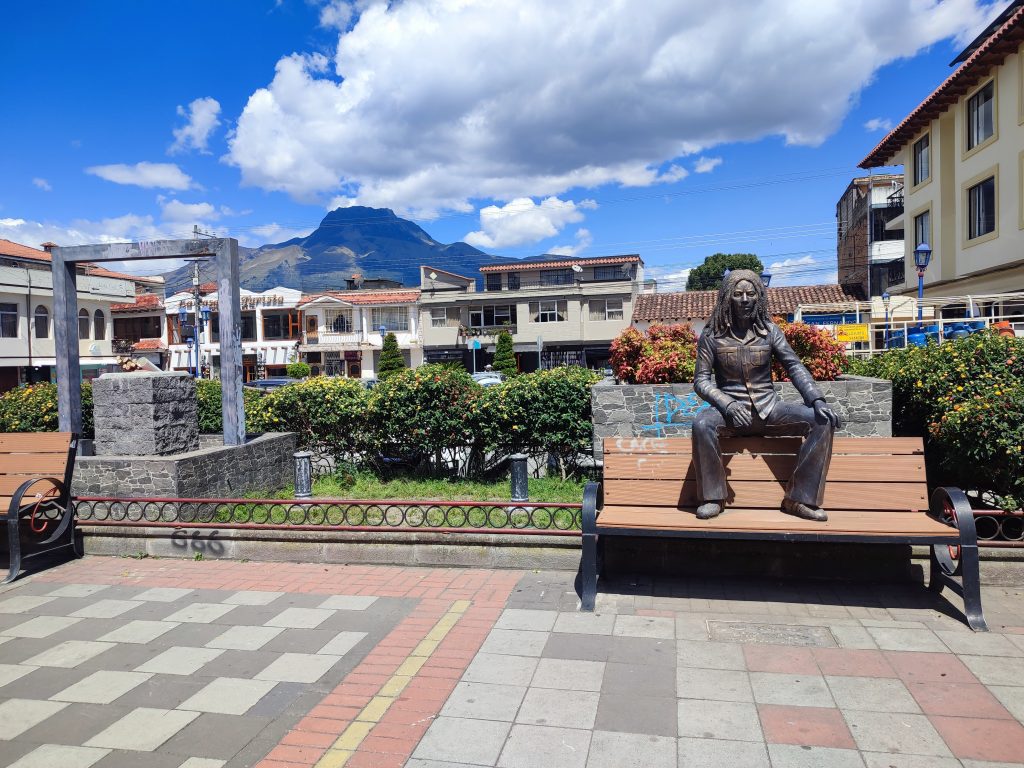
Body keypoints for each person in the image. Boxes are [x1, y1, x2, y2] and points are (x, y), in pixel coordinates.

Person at [692, 270, 841, 521]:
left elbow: (794, 366)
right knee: (701, 423)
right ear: (727, 298)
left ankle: (799, 499)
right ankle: (713, 497)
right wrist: (727, 404)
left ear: (759, 297)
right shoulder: (711, 336)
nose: (745, 299)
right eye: (738, 294)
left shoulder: (770, 332)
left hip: (769, 410)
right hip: (730, 415)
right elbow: (701, 381)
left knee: (822, 421)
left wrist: (816, 399)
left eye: (751, 294)